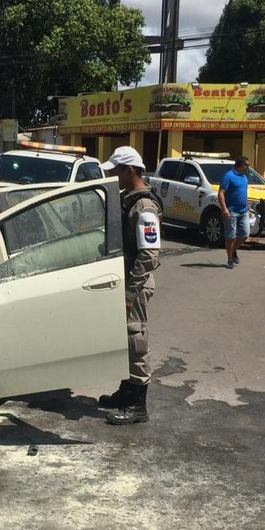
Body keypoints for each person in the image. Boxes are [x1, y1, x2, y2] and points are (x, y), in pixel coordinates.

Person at [95, 146, 162, 425]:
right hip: (125, 282)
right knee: (124, 339)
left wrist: (129, 293)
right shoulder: (129, 200)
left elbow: (149, 254)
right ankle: (127, 391)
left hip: (136, 284)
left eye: (117, 170)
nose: (113, 175)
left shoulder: (144, 207)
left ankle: (138, 405)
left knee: (136, 340)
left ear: (130, 170)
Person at [218, 156, 250, 270]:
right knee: (230, 236)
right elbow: (221, 193)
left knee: (245, 234)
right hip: (231, 211)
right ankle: (230, 259)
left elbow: (244, 193)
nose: (248, 167)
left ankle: (234, 250)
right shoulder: (229, 176)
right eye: (247, 165)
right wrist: (224, 209)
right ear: (241, 165)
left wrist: (247, 207)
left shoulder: (244, 177)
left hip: (243, 211)